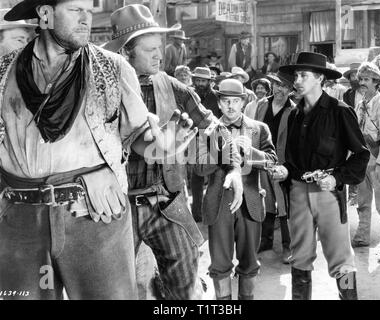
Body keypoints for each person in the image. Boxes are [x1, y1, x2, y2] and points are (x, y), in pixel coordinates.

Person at [0, 0, 195, 300]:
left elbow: (141, 138)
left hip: (94, 217)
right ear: (45, 13)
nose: (85, 19)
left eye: (89, 11)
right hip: (21, 223)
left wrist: (164, 145)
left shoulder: (112, 68)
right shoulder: (5, 70)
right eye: (76, 10)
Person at [104, 4, 243, 300]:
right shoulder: (105, 91)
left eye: (160, 47)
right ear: (126, 53)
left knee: (186, 283)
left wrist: (233, 169)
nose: (160, 55)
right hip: (118, 209)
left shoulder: (173, 87)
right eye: (149, 50)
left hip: (167, 203)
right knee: (120, 289)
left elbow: (217, 129)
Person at [274, 52, 370, 300]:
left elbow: (361, 155)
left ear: (319, 78)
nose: (297, 80)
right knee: (300, 257)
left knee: (342, 260)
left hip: (328, 193)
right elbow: (291, 158)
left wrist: (336, 178)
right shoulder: (294, 115)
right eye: (296, 75)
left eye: (303, 75)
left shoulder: (340, 111)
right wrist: (285, 171)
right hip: (297, 192)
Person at [196, 78, 277, 300]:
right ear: (219, 103)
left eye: (235, 101)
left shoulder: (259, 129)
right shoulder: (207, 131)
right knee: (220, 264)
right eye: (225, 101)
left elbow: (272, 161)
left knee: (250, 262)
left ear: (243, 102)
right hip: (219, 204)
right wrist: (226, 150)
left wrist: (250, 151)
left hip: (250, 204)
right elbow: (199, 169)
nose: (230, 106)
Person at [245, 71, 295, 264]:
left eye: (285, 87)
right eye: (278, 85)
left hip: (281, 163)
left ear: (291, 90)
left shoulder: (294, 110)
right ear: (272, 85)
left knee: (284, 205)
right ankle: (265, 240)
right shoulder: (262, 104)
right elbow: (254, 131)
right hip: (262, 159)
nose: (280, 90)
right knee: (264, 200)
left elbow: (293, 141)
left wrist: (286, 166)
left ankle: (288, 246)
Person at [351, 62, 380, 263]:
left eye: (366, 79)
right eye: (360, 79)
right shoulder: (360, 105)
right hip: (362, 163)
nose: (362, 83)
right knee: (362, 203)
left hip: (378, 161)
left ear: (376, 82)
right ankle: (362, 237)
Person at [189, 67, 221, 222]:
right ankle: (196, 212)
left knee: (215, 175)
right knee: (196, 177)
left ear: (210, 82)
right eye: (198, 80)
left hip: (214, 139)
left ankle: (213, 210)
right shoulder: (190, 96)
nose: (200, 83)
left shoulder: (217, 97)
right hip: (195, 139)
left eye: (203, 81)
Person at [342, 62, 363, 206]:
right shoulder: (347, 94)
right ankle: (353, 194)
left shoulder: (375, 90)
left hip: (368, 132)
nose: (353, 78)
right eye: (351, 76)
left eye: (356, 75)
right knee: (351, 162)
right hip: (352, 130)